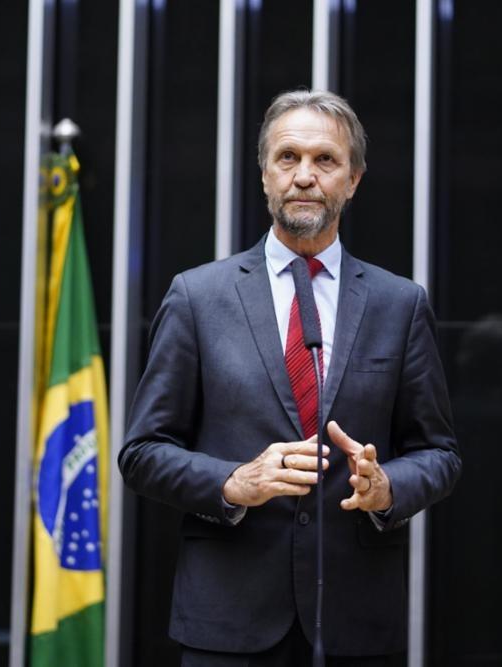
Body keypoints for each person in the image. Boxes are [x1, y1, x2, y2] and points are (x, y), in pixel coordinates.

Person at [118, 89, 460, 665]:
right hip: (227, 621)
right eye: (288, 158)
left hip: (356, 624)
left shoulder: (398, 304)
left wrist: (387, 489)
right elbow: (142, 451)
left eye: (325, 160)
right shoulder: (198, 297)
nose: (305, 176)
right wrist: (234, 481)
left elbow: (440, 452)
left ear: (352, 179)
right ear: (265, 174)